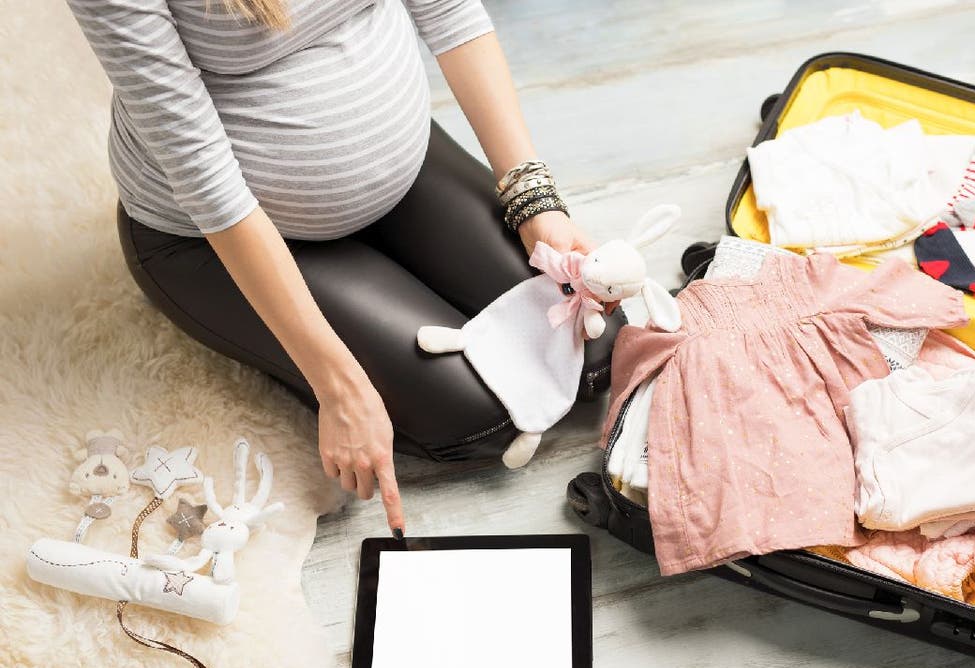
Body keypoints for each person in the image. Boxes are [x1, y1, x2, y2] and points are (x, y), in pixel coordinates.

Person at [66, 0, 623, 533]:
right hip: (208, 234)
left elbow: (450, 10)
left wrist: (533, 198)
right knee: (484, 415)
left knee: (596, 343)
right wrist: (337, 386)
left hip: (404, 168)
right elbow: (206, 180)